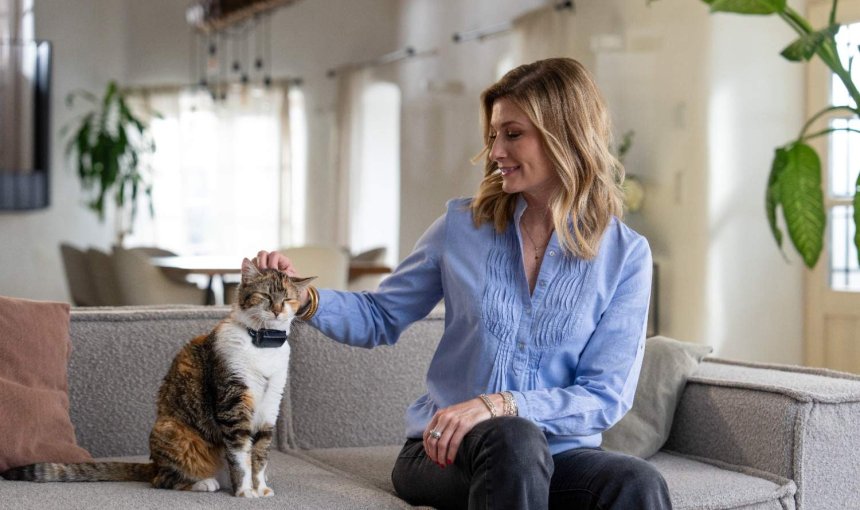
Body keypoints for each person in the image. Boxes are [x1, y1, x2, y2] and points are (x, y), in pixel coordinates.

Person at [254, 58, 671, 510]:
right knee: (513, 442)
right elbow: (381, 316)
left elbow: (604, 395)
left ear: (565, 135)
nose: (495, 151)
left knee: (637, 482)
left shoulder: (625, 256)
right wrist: (304, 297)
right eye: (493, 135)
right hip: (445, 453)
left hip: (560, 455)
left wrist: (500, 404)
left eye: (513, 134)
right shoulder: (462, 226)